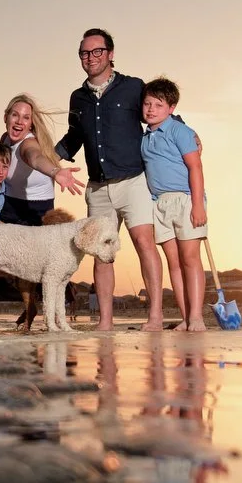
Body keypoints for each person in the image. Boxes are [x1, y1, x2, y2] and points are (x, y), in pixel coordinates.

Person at [55, 28, 166, 332]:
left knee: (145, 243)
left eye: (97, 51)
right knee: (102, 254)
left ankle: (155, 317)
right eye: (84, 53)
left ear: (111, 54)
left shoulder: (133, 87)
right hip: (98, 187)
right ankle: (105, 321)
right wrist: (48, 159)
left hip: (134, 181)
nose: (90, 58)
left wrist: (184, 131)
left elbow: (156, 113)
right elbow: (74, 137)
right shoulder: (77, 97)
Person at [141, 77, 207, 331]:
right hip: (160, 204)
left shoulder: (180, 131)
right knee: (174, 262)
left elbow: (195, 166)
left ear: (171, 108)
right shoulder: (145, 138)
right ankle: (186, 317)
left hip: (186, 199)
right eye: (147, 104)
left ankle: (197, 317)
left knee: (190, 258)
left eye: (158, 105)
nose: (150, 109)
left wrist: (198, 204)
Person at [0, 94, 84, 225]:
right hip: (9, 205)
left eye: (26, 118)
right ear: (6, 117)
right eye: (15, 115)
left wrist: (55, 172)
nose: (19, 121)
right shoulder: (5, 139)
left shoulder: (28, 144)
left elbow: (35, 157)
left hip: (36, 211)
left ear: (31, 125)